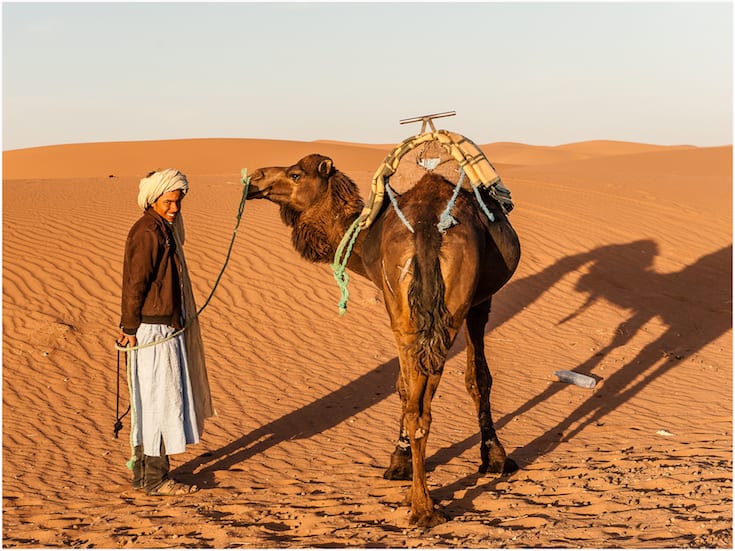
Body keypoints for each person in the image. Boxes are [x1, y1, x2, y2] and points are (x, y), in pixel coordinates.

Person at [117, 168, 214, 496]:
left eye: (178, 201)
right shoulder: (148, 231)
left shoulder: (162, 227)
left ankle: (145, 477)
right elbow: (135, 282)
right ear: (153, 199)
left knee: (155, 399)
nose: (174, 207)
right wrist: (129, 328)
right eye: (168, 201)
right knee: (160, 399)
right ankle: (156, 479)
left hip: (163, 325)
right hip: (154, 329)